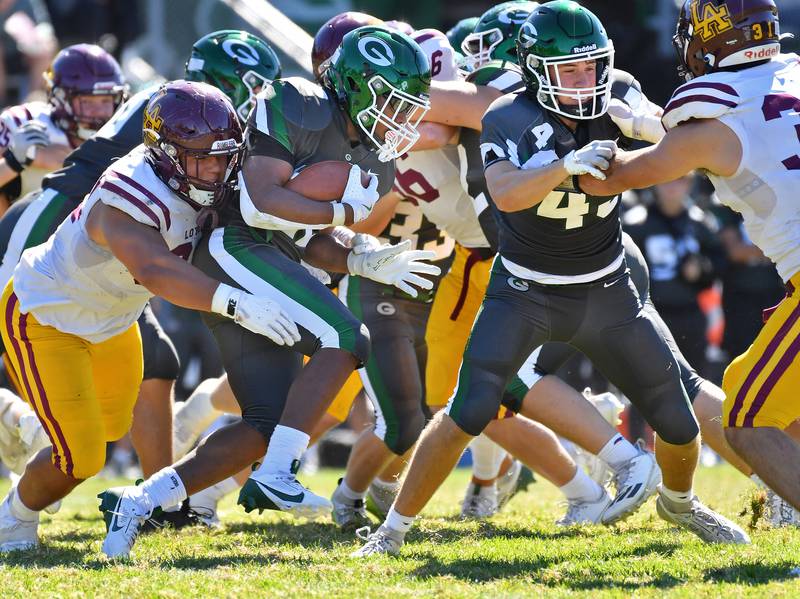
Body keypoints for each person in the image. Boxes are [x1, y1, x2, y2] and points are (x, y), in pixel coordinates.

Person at [354, 0, 749, 557]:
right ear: (534, 67)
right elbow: (508, 192)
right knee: (467, 411)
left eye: (593, 66)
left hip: (608, 286)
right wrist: (564, 165)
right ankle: (392, 530)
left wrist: (654, 123)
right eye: (571, 69)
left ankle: (680, 503)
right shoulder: (506, 115)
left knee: (679, 422)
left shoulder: (615, 91)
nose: (586, 80)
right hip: (527, 289)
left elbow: (665, 125)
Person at [98, 25, 439, 559]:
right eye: (394, 103)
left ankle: (138, 501)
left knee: (262, 423)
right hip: (233, 247)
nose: (402, 119)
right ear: (357, 88)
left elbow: (307, 239)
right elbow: (259, 203)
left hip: (266, 258)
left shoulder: (372, 156)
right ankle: (281, 471)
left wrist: (360, 255)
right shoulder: (297, 102)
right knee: (349, 335)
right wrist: (342, 213)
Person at [0, 80, 301, 554]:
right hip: (47, 314)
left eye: (225, 155)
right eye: (202, 157)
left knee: (112, 426)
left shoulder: (210, 173)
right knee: (80, 458)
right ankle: (13, 516)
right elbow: (156, 270)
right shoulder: (127, 191)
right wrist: (236, 302)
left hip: (114, 318)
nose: (216, 169)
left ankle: (42, 435)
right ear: (164, 153)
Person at [577, 0, 800, 515]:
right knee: (767, 395)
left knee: (747, 418)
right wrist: (655, 127)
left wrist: (586, 145)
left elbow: (610, 179)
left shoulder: (709, 122)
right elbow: (733, 144)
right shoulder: (783, 84)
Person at [0, 44, 126, 214]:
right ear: (60, 98)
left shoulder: (125, 134)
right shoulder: (25, 122)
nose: (98, 111)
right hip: (23, 234)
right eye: (87, 101)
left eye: (105, 101)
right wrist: (14, 161)